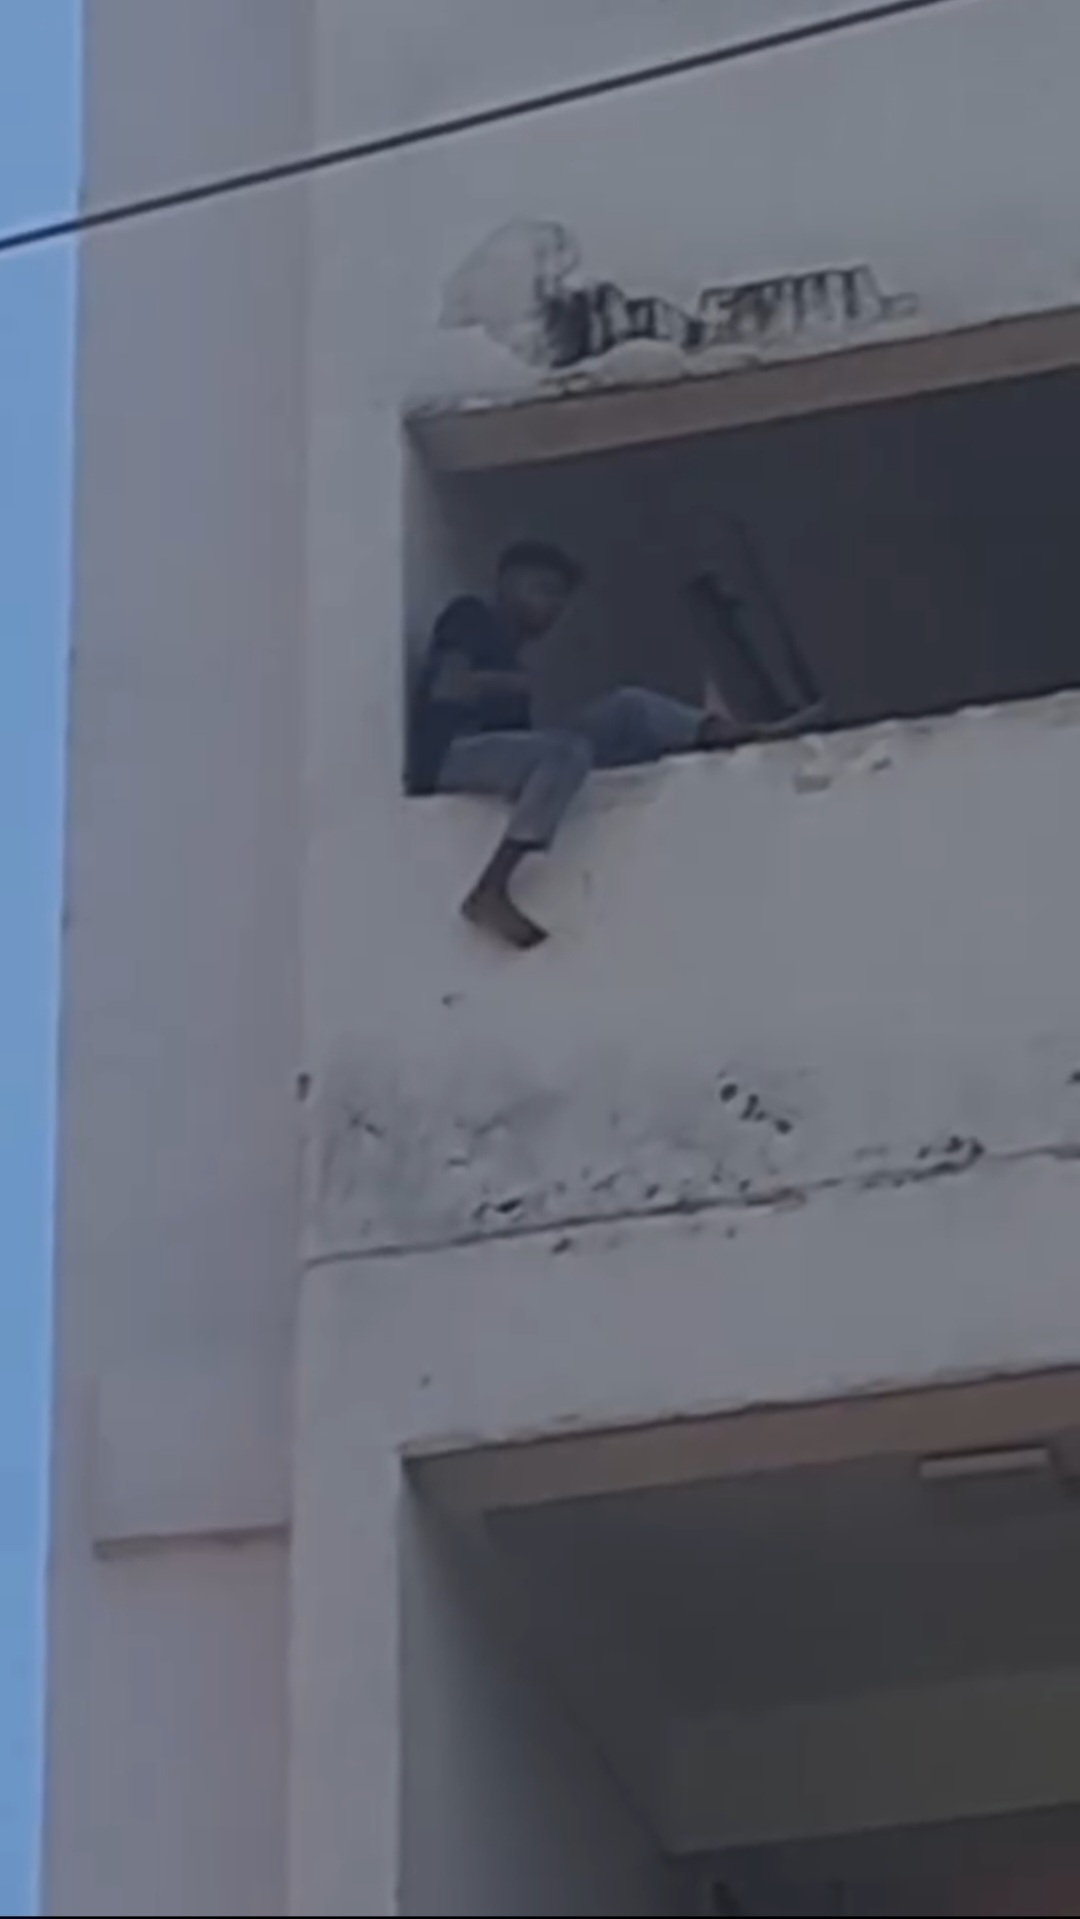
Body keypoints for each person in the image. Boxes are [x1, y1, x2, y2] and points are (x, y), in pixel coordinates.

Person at [410, 540, 807, 949]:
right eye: (542, 590)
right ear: (506, 583)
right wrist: (512, 685)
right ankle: (491, 888)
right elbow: (448, 687)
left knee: (628, 708)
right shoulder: (470, 617)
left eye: (559, 599)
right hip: (449, 757)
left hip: (498, 757)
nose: (552, 607)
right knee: (566, 751)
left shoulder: (513, 654)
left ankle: (727, 732)